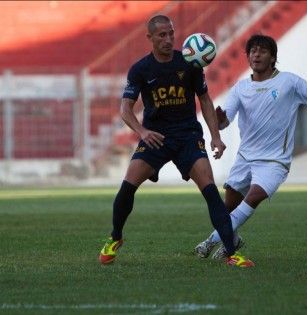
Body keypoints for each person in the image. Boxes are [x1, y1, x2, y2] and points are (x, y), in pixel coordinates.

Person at [98, 15, 254, 268]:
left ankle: (230, 252)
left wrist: (215, 136)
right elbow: (125, 109)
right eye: (162, 35)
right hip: (156, 137)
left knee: (211, 191)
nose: (168, 39)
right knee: (127, 186)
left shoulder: (191, 63)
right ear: (149, 38)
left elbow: (204, 100)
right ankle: (115, 237)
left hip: (188, 137)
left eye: (171, 33)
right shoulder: (140, 69)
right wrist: (142, 131)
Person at [194, 34, 307, 260]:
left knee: (252, 198)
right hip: (245, 157)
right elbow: (224, 122)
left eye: (262, 51)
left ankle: (209, 242)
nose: (256, 54)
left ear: (273, 57)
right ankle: (232, 240)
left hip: (274, 161)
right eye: (252, 51)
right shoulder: (240, 88)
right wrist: (219, 118)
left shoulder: (289, 82)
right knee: (228, 206)